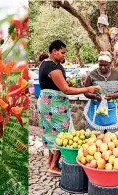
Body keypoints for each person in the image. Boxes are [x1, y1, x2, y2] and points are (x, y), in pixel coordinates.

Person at [38, 40, 100, 175]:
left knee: (52, 133)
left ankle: (50, 163)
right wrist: (87, 89)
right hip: (54, 105)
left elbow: (57, 84)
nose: (64, 56)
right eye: (62, 53)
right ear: (54, 51)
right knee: (62, 133)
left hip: (47, 102)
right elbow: (66, 89)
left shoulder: (46, 63)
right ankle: (54, 166)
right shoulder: (53, 68)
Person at [83, 51, 118, 132]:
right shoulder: (92, 74)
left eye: (105, 65)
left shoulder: (117, 74)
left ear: (110, 63)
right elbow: (85, 91)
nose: (102, 67)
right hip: (96, 108)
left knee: (112, 137)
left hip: (112, 109)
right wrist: (95, 96)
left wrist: (114, 95)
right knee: (94, 136)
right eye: (100, 65)